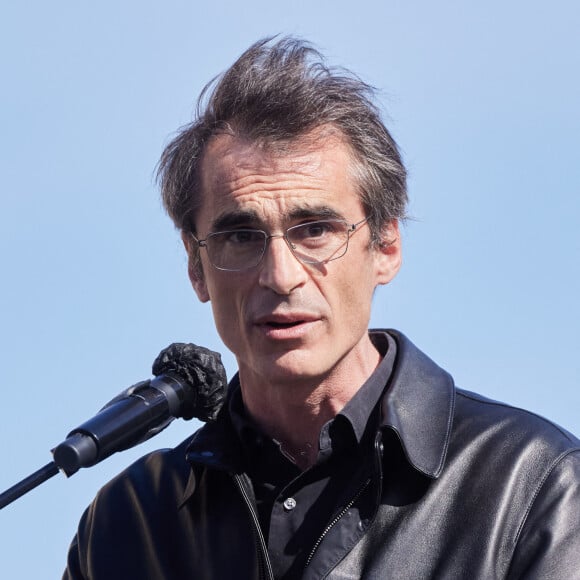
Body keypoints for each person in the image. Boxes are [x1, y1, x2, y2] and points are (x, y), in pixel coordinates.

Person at [63, 37, 580, 580]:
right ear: (197, 268)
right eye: (241, 236)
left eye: (315, 230)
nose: (281, 276)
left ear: (385, 247)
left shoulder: (532, 485)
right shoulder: (130, 521)